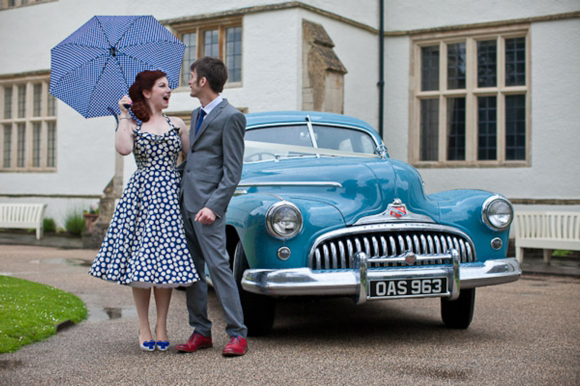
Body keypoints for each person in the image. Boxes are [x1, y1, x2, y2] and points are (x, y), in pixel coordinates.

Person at [89, 70, 199, 352]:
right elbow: (124, 149)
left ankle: (162, 326)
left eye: (169, 87)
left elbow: (193, 161)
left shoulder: (177, 124)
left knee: (165, 265)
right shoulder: (133, 125)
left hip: (170, 200)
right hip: (142, 200)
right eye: (163, 86)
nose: (169, 91)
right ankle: (144, 326)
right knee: (141, 263)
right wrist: (123, 114)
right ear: (147, 92)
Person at [175, 57, 248, 357]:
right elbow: (194, 163)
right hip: (186, 204)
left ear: (203, 81)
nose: (188, 81)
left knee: (219, 269)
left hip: (208, 210)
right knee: (192, 271)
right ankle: (201, 331)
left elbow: (232, 171)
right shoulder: (196, 114)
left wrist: (214, 207)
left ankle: (238, 335)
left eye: (191, 76)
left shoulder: (231, 117)